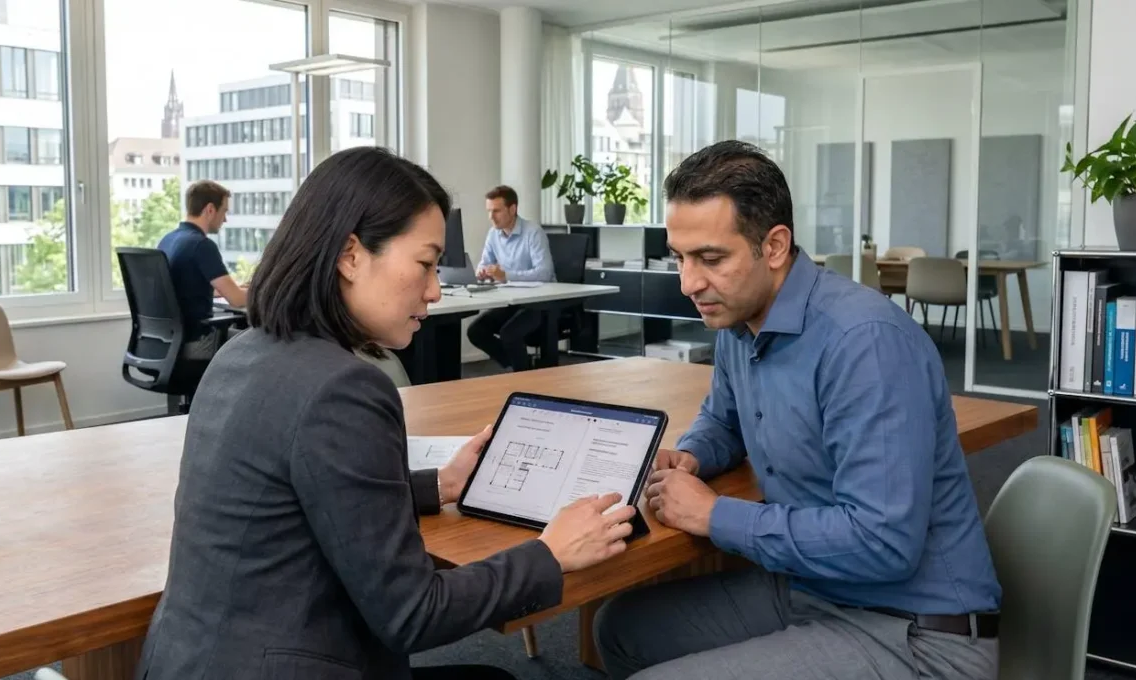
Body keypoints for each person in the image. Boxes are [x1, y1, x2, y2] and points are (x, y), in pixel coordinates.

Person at [135, 147, 636, 680]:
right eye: (424, 263)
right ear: (351, 255)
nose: (435, 289)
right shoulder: (343, 388)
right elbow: (413, 614)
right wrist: (550, 552)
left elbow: (299, 496)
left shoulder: (241, 351)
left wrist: (435, 486)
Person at [592, 140, 1002, 680]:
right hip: (814, 588)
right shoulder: (739, 321)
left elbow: (882, 545)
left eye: (711, 258)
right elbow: (724, 419)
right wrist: (691, 457)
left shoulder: (865, 343)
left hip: (916, 630)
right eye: (680, 258)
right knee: (618, 628)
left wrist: (714, 515)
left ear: (775, 246)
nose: (690, 283)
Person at [466, 185, 555, 372]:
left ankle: (521, 373)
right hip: (512, 301)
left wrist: (506, 276)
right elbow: (484, 263)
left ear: (512, 209)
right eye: (489, 211)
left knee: (509, 333)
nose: (491, 217)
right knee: (475, 332)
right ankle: (518, 366)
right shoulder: (493, 234)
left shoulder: (533, 232)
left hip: (539, 302)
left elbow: (545, 273)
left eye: (496, 211)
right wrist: (482, 272)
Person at [156, 179, 246, 359]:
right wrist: (268, 290)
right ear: (210, 210)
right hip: (196, 343)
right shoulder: (202, 245)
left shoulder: (168, 240)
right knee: (254, 343)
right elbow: (236, 299)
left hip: (164, 343)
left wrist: (228, 290)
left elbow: (182, 289)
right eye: (224, 211)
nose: (225, 219)